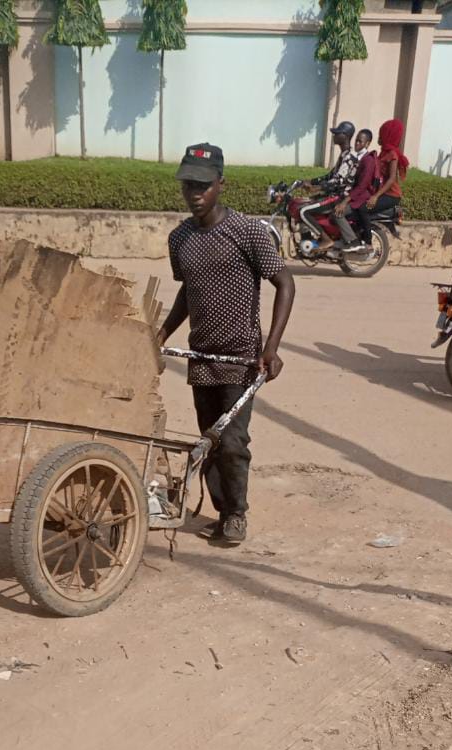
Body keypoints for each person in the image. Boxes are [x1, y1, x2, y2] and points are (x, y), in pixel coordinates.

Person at [157, 143, 295, 545]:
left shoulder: (247, 232)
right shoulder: (180, 238)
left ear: (221, 184)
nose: (194, 194)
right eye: (187, 186)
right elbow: (188, 292)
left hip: (239, 357)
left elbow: (284, 282)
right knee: (210, 440)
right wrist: (162, 334)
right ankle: (221, 512)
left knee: (233, 441)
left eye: (203, 185)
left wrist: (270, 347)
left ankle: (236, 514)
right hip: (201, 358)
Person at [333, 129, 378, 251]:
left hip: (360, 198)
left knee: (337, 213)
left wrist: (344, 202)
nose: (357, 144)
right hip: (355, 196)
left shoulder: (368, 160)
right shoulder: (357, 157)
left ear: (367, 144)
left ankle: (352, 241)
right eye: (356, 141)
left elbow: (362, 186)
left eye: (360, 141)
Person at [304, 121, 361, 193]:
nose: (334, 135)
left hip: (341, 197)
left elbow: (338, 181)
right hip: (333, 193)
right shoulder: (344, 154)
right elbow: (330, 175)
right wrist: (311, 181)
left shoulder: (350, 157)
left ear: (345, 136)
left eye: (337, 133)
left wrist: (317, 188)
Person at [366, 118, 407, 217]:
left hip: (391, 195)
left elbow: (392, 178)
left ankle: (367, 233)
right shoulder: (383, 152)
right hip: (382, 191)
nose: (379, 138)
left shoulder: (392, 154)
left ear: (389, 136)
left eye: (382, 135)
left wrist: (375, 196)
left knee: (363, 209)